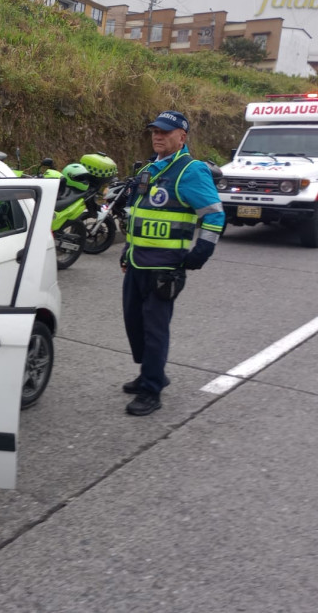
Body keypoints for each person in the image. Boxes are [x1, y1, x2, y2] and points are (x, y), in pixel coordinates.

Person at [119, 110, 225, 416]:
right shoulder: (152, 168)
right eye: (155, 130)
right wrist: (127, 251)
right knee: (135, 324)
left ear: (182, 137)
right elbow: (136, 215)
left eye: (165, 132)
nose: (157, 136)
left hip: (164, 268)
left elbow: (214, 214)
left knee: (154, 330)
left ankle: (151, 389)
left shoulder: (190, 171)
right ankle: (151, 373)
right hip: (138, 263)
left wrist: (201, 251)